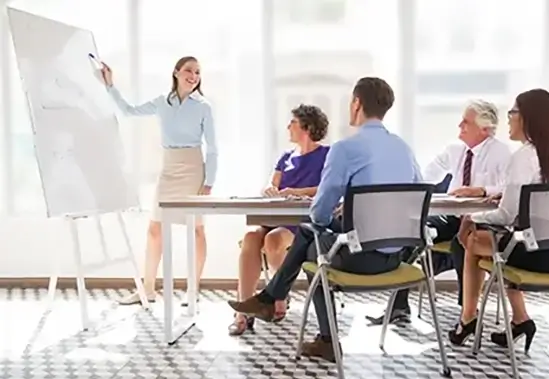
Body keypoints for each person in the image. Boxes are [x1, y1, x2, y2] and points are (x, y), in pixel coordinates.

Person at [228, 77, 422, 361]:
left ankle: (302, 320)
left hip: (358, 257)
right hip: (397, 257)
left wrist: (338, 212)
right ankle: (276, 302)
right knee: (312, 237)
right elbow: (413, 197)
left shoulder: (345, 149)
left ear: (356, 104)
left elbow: (319, 213)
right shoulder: (404, 148)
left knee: (312, 239)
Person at [449, 88, 549, 351]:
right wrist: (507, 196)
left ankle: (467, 319)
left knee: (471, 239)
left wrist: (471, 216)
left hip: (543, 254)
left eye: (513, 112)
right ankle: (519, 319)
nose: (509, 118)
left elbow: (506, 215)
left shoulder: (523, 156)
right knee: (496, 246)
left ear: (527, 118)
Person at [366, 100, 511, 325]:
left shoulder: (501, 153)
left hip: (485, 222)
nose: (460, 124)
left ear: (485, 128)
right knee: (413, 231)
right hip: (453, 218)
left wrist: (482, 190)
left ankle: (468, 314)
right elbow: (426, 177)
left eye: (466, 121)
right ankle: (398, 306)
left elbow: (511, 188)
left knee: (462, 244)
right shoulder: (455, 149)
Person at [100, 56, 218, 305]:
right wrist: (110, 86)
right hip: (169, 168)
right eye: (189, 70)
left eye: (197, 72)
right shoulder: (162, 103)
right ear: (176, 73)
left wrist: (209, 182)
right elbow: (128, 111)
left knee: (196, 230)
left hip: (194, 169)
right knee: (155, 229)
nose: (194, 76)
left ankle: (193, 291)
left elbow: (213, 148)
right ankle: (148, 289)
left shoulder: (203, 106)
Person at [229, 104, 330, 336]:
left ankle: (278, 295)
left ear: (307, 126)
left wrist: (296, 191)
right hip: (275, 214)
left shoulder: (327, 154)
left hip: (302, 221)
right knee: (251, 237)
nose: (288, 127)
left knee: (273, 240)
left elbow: (327, 187)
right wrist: (271, 190)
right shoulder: (285, 157)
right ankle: (243, 311)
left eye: (292, 122)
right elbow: (271, 184)